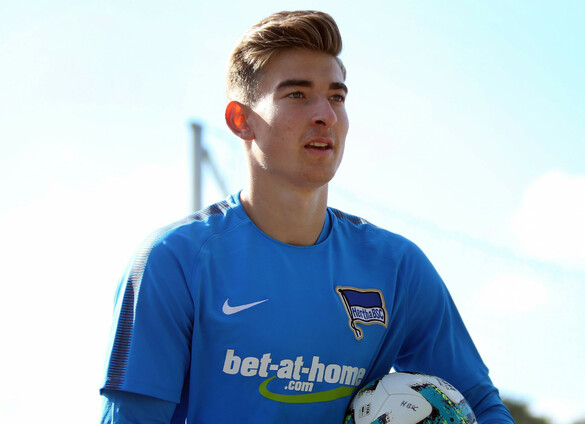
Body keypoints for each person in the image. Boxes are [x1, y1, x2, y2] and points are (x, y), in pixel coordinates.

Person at [100, 10, 515, 423]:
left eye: (336, 97)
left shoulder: (396, 268)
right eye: (297, 95)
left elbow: (479, 405)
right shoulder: (174, 260)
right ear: (241, 120)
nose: (326, 115)